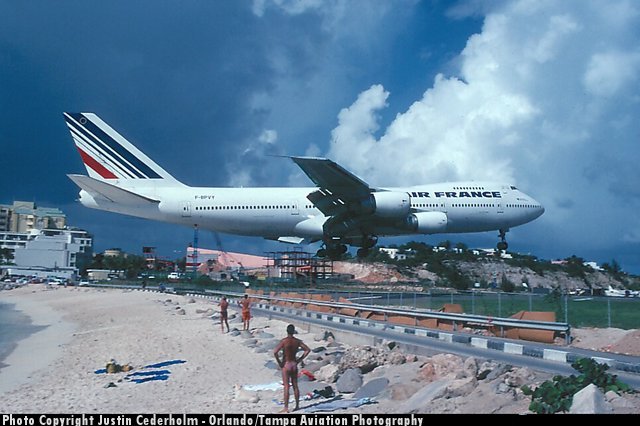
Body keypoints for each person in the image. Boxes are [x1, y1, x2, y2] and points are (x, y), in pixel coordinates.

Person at [273, 324, 311, 413]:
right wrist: (300, 359)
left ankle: (286, 408)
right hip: (294, 364)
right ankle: (297, 405)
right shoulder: (297, 341)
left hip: (286, 364)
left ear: (287, 331)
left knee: (286, 386)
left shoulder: (284, 341)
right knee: (295, 386)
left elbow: (275, 352)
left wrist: (279, 362)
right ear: (294, 331)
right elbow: (307, 350)